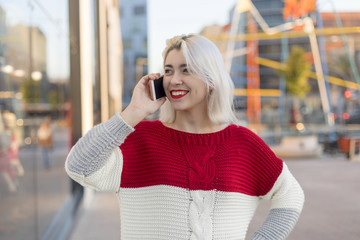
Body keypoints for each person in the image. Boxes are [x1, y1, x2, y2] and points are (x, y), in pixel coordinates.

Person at [65, 34, 304, 239]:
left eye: (186, 70)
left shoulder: (244, 143)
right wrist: (132, 113)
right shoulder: (140, 139)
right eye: (168, 70)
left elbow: (290, 195)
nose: (174, 79)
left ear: (211, 79)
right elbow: (79, 167)